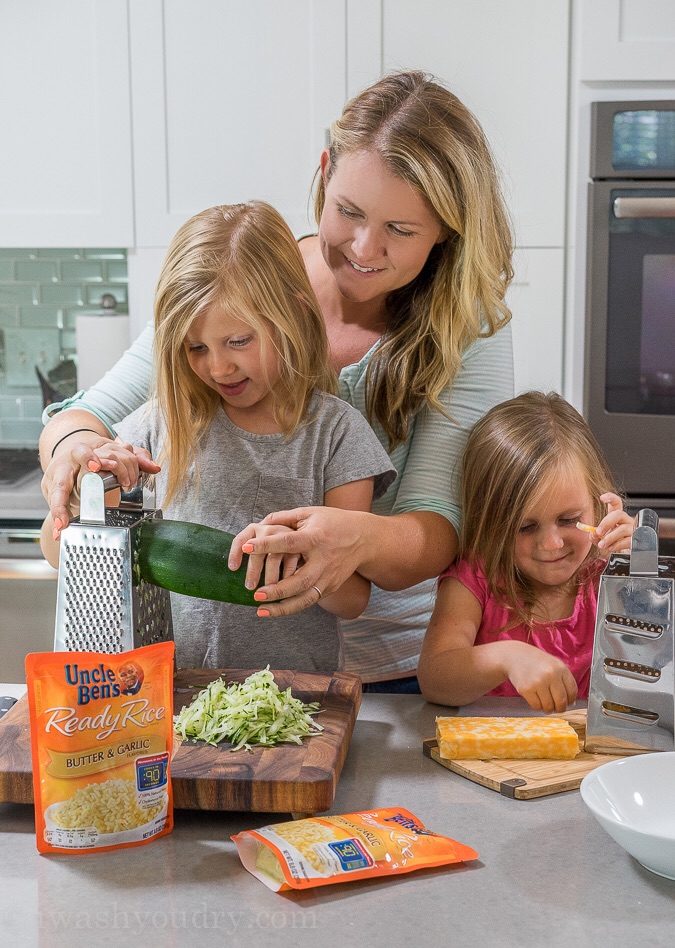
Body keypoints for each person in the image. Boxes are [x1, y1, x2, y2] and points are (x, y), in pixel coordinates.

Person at [39, 71, 514, 691]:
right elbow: (88, 416)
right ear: (325, 171)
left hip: (395, 666)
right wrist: (74, 457)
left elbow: (436, 523)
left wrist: (354, 541)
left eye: (402, 230)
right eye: (348, 211)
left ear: (449, 229)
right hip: (192, 676)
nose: (364, 248)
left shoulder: (467, 325)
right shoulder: (247, 279)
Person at [41, 202, 395, 674]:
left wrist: (299, 554)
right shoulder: (161, 425)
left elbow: (353, 600)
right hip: (172, 698)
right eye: (197, 347)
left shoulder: (337, 435)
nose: (218, 367)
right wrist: (91, 493)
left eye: (239, 341)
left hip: (290, 703)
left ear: (293, 315)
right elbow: (54, 551)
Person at [418, 392, 635, 713]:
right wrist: (506, 657)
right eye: (525, 527)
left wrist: (639, 572)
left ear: (596, 502)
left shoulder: (608, 575)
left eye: (568, 520)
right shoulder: (477, 578)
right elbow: (434, 677)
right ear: (489, 520)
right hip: (493, 757)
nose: (551, 544)